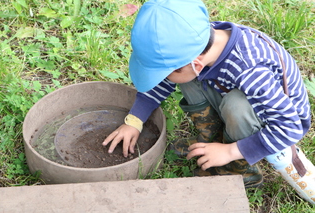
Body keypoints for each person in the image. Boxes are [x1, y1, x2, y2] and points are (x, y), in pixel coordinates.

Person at [102, 0, 315, 204]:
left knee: (237, 106)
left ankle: (238, 168)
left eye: (165, 74)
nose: (163, 79)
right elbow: (168, 76)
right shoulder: (196, 42)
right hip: (229, 89)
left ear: (194, 64)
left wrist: (230, 152)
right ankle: (210, 140)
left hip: (273, 119)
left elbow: (290, 127)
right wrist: (135, 120)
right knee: (188, 80)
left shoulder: (251, 71)